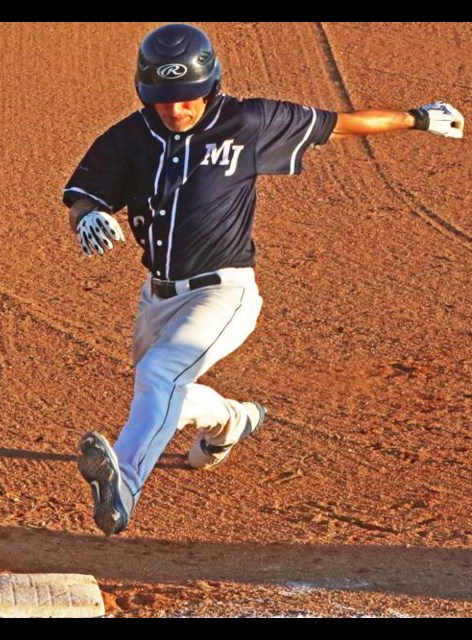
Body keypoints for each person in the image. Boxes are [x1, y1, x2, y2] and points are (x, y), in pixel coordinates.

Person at [65, 24, 464, 537]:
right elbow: (84, 193)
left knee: (160, 375)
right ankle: (231, 421)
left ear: (209, 86)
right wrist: (86, 216)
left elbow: (339, 126)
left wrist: (417, 118)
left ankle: (123, 486)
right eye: (163, 100)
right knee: (166, 388)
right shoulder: (130, 137)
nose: (175, 110)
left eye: (187, 98)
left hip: (223, 292)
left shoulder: (249, 122)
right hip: (157, 297)